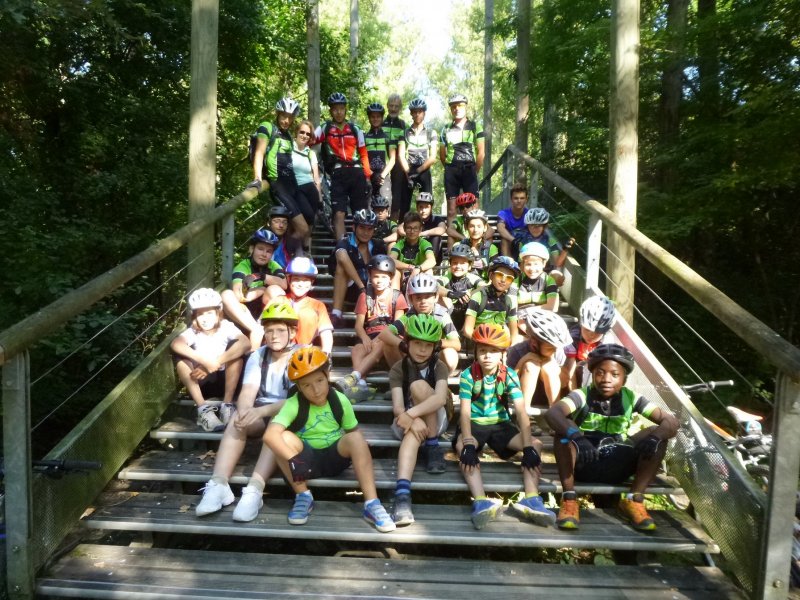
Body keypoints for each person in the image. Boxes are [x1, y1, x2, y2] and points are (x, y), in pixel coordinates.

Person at [545, 344, 680, 531]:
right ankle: (569, 499)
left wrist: (655, 437)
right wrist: (576, 437)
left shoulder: (632, 398)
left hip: (618, 462)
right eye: (600, 373)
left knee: (657, 435)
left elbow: (671, 422)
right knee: (563, 435)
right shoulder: (581, 395)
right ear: (592, 374)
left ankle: (634, 500)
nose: (606, 379)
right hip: (585, 460)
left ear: (624, 378)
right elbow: (553, 413)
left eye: (615, 375)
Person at [263, 346, 396, 532]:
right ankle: (303, 496)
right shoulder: (294, 403)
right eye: (307, 385)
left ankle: (372, 504)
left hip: (334, 458)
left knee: (356, 438)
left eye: (319, 380)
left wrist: (361, 449)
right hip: (303, 463)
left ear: (327, 376)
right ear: (299, 388)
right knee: (281, 438)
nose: (316, 390)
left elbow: (353, 430)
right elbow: (270, 435)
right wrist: (293, 459)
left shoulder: (340, 400)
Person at [195, 302, 299, 521]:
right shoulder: (258, 356)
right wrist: (244, 412)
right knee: (236, 418)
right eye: (269, 330)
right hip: (262, 410)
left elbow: (300, 400)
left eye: (280, 330)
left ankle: (255, 489)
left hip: (293, 415)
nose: (274, 336)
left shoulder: (304, 354)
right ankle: (219, 484)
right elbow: (248, 390)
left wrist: (262, 412)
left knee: (276, 425)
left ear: (293, 332)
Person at [454, 323, 555, 530]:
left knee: (535, 445)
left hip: (501, 424)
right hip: (474, 424)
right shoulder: (467, 376)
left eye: (493, 351)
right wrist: (467, 444)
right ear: (475, 352)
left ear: (502, 353)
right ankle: (481, 501)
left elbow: (521, 411)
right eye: (482, 350)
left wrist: (527, 448)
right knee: (462, 448)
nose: (487, 356)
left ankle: (532, 499)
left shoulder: (509, 374)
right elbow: (464, 412)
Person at [388, 314, 450, 526]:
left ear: (435, 347)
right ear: (407, 343)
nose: (422, 350)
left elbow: (440, 398)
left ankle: (432, 444)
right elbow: (397, 407)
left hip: (436, 418)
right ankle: (402, 495)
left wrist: (412, 414)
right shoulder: (398, 368)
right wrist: (411, 419)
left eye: (428, 345)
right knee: (412, 435)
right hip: (406, 418)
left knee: (419, 386)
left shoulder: (439, 366)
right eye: (417, 344)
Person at [172, 288, 250, 432]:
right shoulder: (193, 332)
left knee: (236, 352)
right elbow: (176, 344)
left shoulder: (226, 327)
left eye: (209, 313)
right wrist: (204, 361)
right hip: (201, 382)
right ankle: (203, 410)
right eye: (200, 314)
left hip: (227, 381)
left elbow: (245, 343)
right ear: (194, 316)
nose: (205, 318)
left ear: (218, 313)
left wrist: (216, 362)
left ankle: (227, 405)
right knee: (181, 358)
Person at [339, 255, 408, 399]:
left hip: (390, 335)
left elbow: (398, 325)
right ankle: (362, 385)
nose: (379, 281)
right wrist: (364, 338)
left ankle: (355, 376)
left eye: (383, 277)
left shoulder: (397, 296)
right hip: (370, 334)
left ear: (390, 278)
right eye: (376, 277)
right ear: (370, 276)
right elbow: (359, 325)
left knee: (383, 341)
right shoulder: (365, 296)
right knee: (357, 349)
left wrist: (379, 338)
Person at [312, 92, 372, 242]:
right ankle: (341, 249)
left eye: (341, 108)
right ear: (330, 111)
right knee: (338, 213)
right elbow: (308, 140)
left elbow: (364, 153)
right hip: (338, 173)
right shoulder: (325, 128)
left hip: (357, 172)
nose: (338, 112)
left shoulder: (355, 128)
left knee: (361, 214)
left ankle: (360, 248)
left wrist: (368, 176)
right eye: (335, 109)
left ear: (345, 109)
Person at [251, 98, 310, 244]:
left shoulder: (288, 136)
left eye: (290, 117)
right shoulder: (267, 127)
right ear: (277, 114)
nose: (286, 121)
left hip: (292, 184)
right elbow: (259, 152)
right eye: (283, 116)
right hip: (279, 185)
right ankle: (277, 253)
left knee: (309, 217)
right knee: (302, 229)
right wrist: (258, 178)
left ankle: (286, 253)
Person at [379, 273, 462, 375]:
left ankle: (439, 380)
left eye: (427, 297)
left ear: (435, 297)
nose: (423, 301)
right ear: (411, 299)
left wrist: (437, 343)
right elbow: (384, 334)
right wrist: (403, 344)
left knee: (450, 354)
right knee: (388, 345)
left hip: (434, 357)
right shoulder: (409, 316)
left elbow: (457, 344)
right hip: (413, 356)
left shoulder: (442, 315)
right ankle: (404, 378)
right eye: (418, 298)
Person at [221, 228, 287, 351]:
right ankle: (256, 330)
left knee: (276, 290)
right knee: (226, 294)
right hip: (244, 313)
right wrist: (262, 288)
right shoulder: (243, 266)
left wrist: (261, 277)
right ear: (252, 249)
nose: (264, 254)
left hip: (264, 312)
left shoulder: (274, 266)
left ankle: (260, 328)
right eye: (260, 249)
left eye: (268, 251)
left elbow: (284, 284)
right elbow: (240, 295)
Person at [328, 209, 387, 329]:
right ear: (354, 227)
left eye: (370, 229)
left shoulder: (378, 245)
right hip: (353, 289)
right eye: (362, 228)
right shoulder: (345, 242)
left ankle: (383, 313)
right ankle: (336, 313)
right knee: (341, 266)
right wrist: (361, 287)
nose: (366, 232)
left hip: (374, 289)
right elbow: (341, 256)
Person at [507, 308, 571, 408]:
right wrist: (522, 361)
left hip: (547, 396)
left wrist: (556, 367)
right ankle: (525, 414)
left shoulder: (557, 351)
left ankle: (555, 411)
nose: (554, 350)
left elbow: (564, 384)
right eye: (549, 348)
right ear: (534, 343)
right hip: (522, 396)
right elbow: (508, 385)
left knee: (549, 367)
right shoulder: (517, 351)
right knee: (531, 366)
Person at [270, 257, 333, 354]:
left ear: (311, 282)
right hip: (276, 353)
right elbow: (262, 328)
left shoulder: (317, 305)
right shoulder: (278, 300)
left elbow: (326, 332)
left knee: (307, 314)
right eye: (296, 279)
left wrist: (326, 353)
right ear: (289, 280)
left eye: (305, 280)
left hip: (302, 355)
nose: (300, 284)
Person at [440, 94, 484, 229]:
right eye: (453, 106)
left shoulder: (476, 126)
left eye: (460, 106)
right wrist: (449, 168)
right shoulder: (445, 128)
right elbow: (442, 154)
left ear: (466, 107)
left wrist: (474, 170)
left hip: (469, 169)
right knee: (452, 210)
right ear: (451, 109)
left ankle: (475, 244)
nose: (457, 109)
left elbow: (481, 152)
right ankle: (451, 246)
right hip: (451, 170)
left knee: (473, 210)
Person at [563, 295, 617, 391]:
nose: (591, 335)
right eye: (587, 329)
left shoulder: (607, 340)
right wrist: (575, 396)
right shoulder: (573, 335)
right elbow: (569, 369)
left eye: (597, 332)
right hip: (572, 375)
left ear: (605, 331)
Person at [396, 97, 438, 222]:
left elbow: (433, 157)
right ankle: (402, 231)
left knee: (426, 202)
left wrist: (418, 171)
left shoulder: (431, 132)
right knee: (404, 204)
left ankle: (426, 229)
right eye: (414, 112)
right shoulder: (404, 133)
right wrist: (408, 172)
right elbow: (400, 155)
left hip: (424, 169)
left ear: (424, 113)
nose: (417, 114)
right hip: (408, 169)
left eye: (420, 111)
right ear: (411, 113)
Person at [462, 256, 520, 343]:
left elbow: (514, 334)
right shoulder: (478, 296)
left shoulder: (509, 301)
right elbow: (467, 330)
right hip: (477, 342)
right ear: (491, 275)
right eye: (500, 275)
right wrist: (486, 344)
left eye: (509, 278)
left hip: (498, 344)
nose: (503, 280)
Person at [437, 242, 485, 332]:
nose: (458, 266)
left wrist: (470, 293)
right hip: (449, 313)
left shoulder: (472, 277)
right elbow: (435, 286)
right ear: (450, 264)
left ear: (470, 266)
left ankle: (465, 331)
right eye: (455, 263)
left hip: (467, 313)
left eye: (463, 263)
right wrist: (451, 294)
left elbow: (483, 286)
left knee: (478, 297)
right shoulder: (447, 277)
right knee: (438, 296)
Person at [291, 119, 323, 249]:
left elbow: (315, 176)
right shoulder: (288, 148)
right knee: (308, 215)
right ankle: (290, 248)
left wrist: (320, 196)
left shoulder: (310, 153)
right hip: (296, 188)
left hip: (311, 189)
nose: (304, 136)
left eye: (308, 134)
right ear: (296, 132)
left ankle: (306, 250)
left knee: (311, 220)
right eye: (302, 132)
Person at [521, 207, 573, 286]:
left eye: (538, 225)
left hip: (545, 271)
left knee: (558, 276)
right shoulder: (523, 240)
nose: (534, 228)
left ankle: (551, 294)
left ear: (544, 226)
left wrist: (565, 250)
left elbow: (558, 263)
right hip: (528, 270)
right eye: (532, 225)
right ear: (527, 226)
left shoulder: (550, 240)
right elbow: (520, 263)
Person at [389, 211, 437, 290]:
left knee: (429, 271)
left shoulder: (425, 243)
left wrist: (417, 269)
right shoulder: (400, 244)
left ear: (420, 229)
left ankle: (426, 298)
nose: (412, 231)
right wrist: (409, 267)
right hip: (403, 276)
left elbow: (432, 260)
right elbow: (391, 260)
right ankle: (395, 299)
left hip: (419, 276)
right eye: (409, 228)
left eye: (415, 228)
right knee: (396, 272)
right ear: (404, 228)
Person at [396, 192, 447, 261]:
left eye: (426, 207)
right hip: (413, 250)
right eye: (421, 207)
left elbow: (442, 229)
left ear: (431, 208)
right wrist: (411, 234)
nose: (423, 210)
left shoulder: (436, 219)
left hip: (431, 253)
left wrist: (422, 233)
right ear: (417, 207)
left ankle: (431, 262)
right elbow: (400, 228)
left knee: (436, 237)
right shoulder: (413, 218)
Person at [364, 102, 396, 204]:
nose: (375, 119)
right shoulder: (364, 137)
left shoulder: (387, 137)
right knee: (368, 209)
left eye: (378, 116)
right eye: (372, 116)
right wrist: (370, 175)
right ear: (369, 118)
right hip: (369, 177)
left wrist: (383, 175)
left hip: (383, 177)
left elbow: (392, 159)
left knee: (385, 207)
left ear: (382, 118)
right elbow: (361, 158)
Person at [515, 242, 559, 314]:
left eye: (536, 264)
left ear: (544, 264)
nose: (532, 269)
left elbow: (553, 307)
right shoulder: (516, 280)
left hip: (543, 316)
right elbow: (511, 305)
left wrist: (527, 311)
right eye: (528, 264)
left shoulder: (549, 280)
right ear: (523, 264)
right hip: (519, 316)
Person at [383, 93, 408, 221]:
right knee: (382, 196)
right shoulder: (381, 123)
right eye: (391, 106)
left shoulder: (404, 125)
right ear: (387, 106)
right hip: (383, 163)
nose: (393, 109)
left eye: (396, 106)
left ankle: (394, 225)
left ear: (400, 108)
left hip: (399, 164)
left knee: (397, 197)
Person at [496, 182, 530, 259]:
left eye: (522, 198)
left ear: (526, 199)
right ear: (511, 199)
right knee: (504, 240)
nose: (519, 201)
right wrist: (514, 240)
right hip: (511, 241)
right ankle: (508, 266)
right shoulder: (503, 213)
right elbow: (500, 228)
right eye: (516, 198)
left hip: (526, 242)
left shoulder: (529, 214)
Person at [461, 209, 498, 279]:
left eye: (479, 226)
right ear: (466, 227)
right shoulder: (459, 245)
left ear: (485, 228)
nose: (475, 230)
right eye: (472, 226)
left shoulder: (491, 248)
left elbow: (494, 272)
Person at [267, 205, 303, 270]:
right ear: (269, 223)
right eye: (276, 221)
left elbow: (299, 259)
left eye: (284, 222)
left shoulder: (293, 242)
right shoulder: (261, 240)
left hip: (287, 276)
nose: (281, 225)